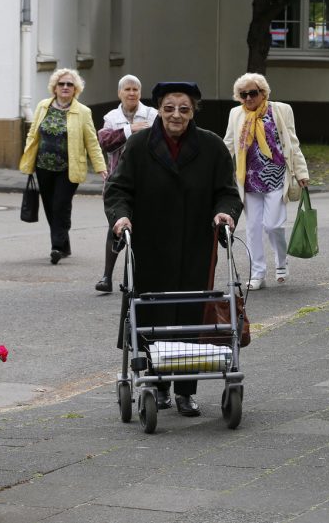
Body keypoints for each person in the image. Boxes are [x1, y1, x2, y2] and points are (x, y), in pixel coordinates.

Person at [104, 82, 243, 417]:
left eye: (183, 108)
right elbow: (118, 188)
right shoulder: (138, 146)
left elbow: (227, 192)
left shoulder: (211, 147)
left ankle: (185, 391)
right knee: (152, 313)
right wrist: (120, 217)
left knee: (190, 315)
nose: (175, 115)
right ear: (159, 110)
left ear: (193, 111)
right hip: (149, 245)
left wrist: (225, 213)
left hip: (196, 245)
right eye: (169, 108)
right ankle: (156, 382)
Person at [223, 73, 309, 290]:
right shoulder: (236, 114)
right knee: (252, 228)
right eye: (244, 95)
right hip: (249, 179)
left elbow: (292, 143)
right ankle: (257, 272)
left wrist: (301, 172)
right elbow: (229, 144)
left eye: (253, 93)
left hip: (276, 175)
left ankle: (282, 262)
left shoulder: (280, 110)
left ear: (263, 92)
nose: (249, 98)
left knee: (273, 226)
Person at [19, 68, 108, 264]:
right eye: (62, 84)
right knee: (50, 206)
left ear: (76, 89)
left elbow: (91, 142)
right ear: (55, 88)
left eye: (70, 84)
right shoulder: (43, 106)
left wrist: (101, 167)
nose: (65, 87)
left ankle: (57, 246)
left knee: (60, 204)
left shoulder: (83, 112)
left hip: (69, 167)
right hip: (43, 166)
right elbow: (33, 133)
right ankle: (63, 242)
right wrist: (28, 156)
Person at [95, 75, 158, 292]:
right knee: (116, 224)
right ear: (119, 93)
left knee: (143, 228)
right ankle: (106, 276)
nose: (131, 93)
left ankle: (136, 279)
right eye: (127, 89)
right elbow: (105, 141)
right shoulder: (111, 117)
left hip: (145, 179)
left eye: (135, 90)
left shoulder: (151, 114)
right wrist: (131, 130)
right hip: (118, 180)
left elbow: (158, 140)